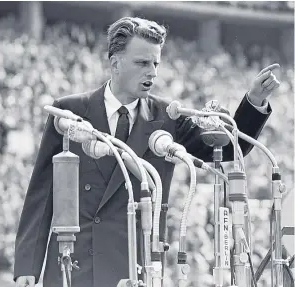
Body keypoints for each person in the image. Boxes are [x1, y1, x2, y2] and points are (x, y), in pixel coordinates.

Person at [14, 17, 280, 287]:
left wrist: (255, 101)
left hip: (136, 266)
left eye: (155, 63)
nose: (152, 72)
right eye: (142, 63)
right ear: (115, 63)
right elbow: (42, 191)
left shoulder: (168, 116)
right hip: (75, 266)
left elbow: (228, 150)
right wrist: (27, 266)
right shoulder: (70, 112)